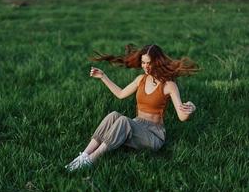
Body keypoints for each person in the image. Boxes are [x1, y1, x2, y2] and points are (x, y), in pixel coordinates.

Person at [65, 44, 199, 172]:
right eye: (143, 63)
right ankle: (84, 155)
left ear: (157, 62)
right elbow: (121, 94)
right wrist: (103, 77)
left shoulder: (169, 85)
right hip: (137, 124)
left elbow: (182, 117)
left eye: (149, 63)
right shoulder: (141, 79)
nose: (145, 67)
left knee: (124, 121)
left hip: (154, 134)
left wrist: (191, 108)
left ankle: (92, 159)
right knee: (114, 115)